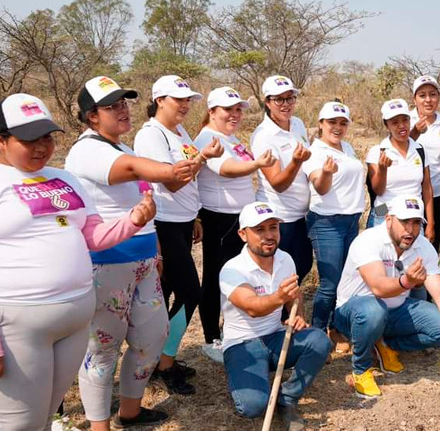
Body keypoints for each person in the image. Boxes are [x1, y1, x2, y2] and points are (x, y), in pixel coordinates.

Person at [0, 93, 155, 430]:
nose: (42, 146)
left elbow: (93, 236)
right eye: (29, 139)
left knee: (42, 418)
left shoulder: (64, 178)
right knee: (17, 426)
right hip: (15, 326)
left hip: (73, 323)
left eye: (47, 137)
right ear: (0, 140)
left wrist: (133, 221)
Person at [66, 76, 198, 429]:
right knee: (104, 349)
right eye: (113, 106)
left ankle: (131, 410)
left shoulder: (124, 148)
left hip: (142, 261)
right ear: (92, 116)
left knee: (150, 337)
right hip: (107, 264)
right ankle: (99, 425)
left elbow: (144, 201)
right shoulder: (87, 150)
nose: (123, 110)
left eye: (125, 103)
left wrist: (156, 253)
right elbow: (131, 172)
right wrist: (172, 169)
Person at [333, 196, 440, 398]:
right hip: (353, 313)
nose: (410, 230)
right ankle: (361, 370)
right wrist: (406, 282)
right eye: (405, 222)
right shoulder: (368, 240)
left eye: (416, 223)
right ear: (389, 219)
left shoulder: (423, 246)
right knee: (373, 311)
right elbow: (378, 287)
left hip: (395, 310)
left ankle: (384, 344)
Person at [134, 75, 223, 395]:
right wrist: (203, 157)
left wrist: (195, 213)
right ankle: (165, 363)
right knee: (190, 293)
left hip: (183, 221)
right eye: (178, 99)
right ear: (159, 100)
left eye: (188, 100)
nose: (185, 105)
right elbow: (171, 181)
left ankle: (157, 357)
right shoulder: (151, 135)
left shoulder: (180, 131)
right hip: (163, 223)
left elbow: (190, 177)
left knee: (168, 294)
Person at [220, 201, 330, 430]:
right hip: (243, 343)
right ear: (243, 234)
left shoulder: (285, 259)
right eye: (259, 230)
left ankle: (287, 397)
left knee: (319, 340)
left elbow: (294, 294)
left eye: (273, 227)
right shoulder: (232, 269)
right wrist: (280, 298)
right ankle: (241, 370)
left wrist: (296, 314)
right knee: (252, 408)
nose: (269, 235)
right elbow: (252, 307)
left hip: (276, 336)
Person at [194, 87, 275, 363]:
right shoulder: (207, 137)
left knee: (236, 274)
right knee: (217, 276)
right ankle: (210, 337)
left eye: (239, 109)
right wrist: (258, 163)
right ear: (212, 111)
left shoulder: (231, 138)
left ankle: (231, 329)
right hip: (219, 217)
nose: (235, 114)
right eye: (229, 109)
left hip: (237, 216)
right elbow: (226, 169)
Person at [301, 101, 366, 331]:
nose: (337, 127)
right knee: (330, 283)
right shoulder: (314, 152)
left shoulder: (346, 148)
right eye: (331, 122)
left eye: (342, 123)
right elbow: (320, 186)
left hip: (350, 222)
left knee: (346, 280)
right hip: (327, 223)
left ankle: (337, 327)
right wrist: (327, 173)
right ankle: (318, 332)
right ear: (321, 124)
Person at [250, 75, 314, 285]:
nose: (285, 104)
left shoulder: (297, 124)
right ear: (267, 102)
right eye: (279, 99)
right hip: (280, 216)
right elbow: (277, 182)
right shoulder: (263, 136)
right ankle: (277, 315)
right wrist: (295, 162)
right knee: (280, 273)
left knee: (303, 265)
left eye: (290, 98)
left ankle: (289, 314)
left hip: (301, 215)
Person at [366, 98, 436, 240]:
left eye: (405, 120)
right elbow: (378, 190)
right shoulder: (377, 151)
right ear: (387, 125)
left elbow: (427, 187)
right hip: (384, 214)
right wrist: (382, 169)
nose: (401, 126)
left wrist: (430, 223)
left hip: (413, 215)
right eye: (394, 122)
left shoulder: (419, 150)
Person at [409, 75, 440, 252]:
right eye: (422, 95)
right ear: (415, 99)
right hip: (412, 194)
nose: (428, 100)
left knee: (432, 243)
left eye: (432, 94)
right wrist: (414, 133)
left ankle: (428, 279)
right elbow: (396, 150)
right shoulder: (405, 121)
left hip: (439, 196)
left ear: (438, 97)